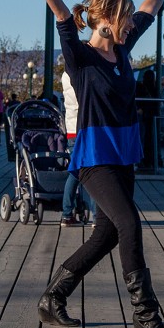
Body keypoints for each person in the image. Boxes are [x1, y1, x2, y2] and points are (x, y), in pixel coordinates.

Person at [13, 0, 164, 328]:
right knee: (129, 223)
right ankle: (146, 312)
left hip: (123, 154)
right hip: (94, 157)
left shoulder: (121, 48)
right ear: (104, 21)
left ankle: (53, 298)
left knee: (106, 234)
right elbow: (64, 19)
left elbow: (149, 10)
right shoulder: (81, 58)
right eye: (122, 19)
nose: (128, 24)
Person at [59, 69, 94, 226]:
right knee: (94, 171)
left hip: (72, 129)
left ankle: (67, 214)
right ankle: (97, 216)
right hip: (87, 127)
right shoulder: (84, 74)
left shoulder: (66, 75)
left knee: (75, 172)